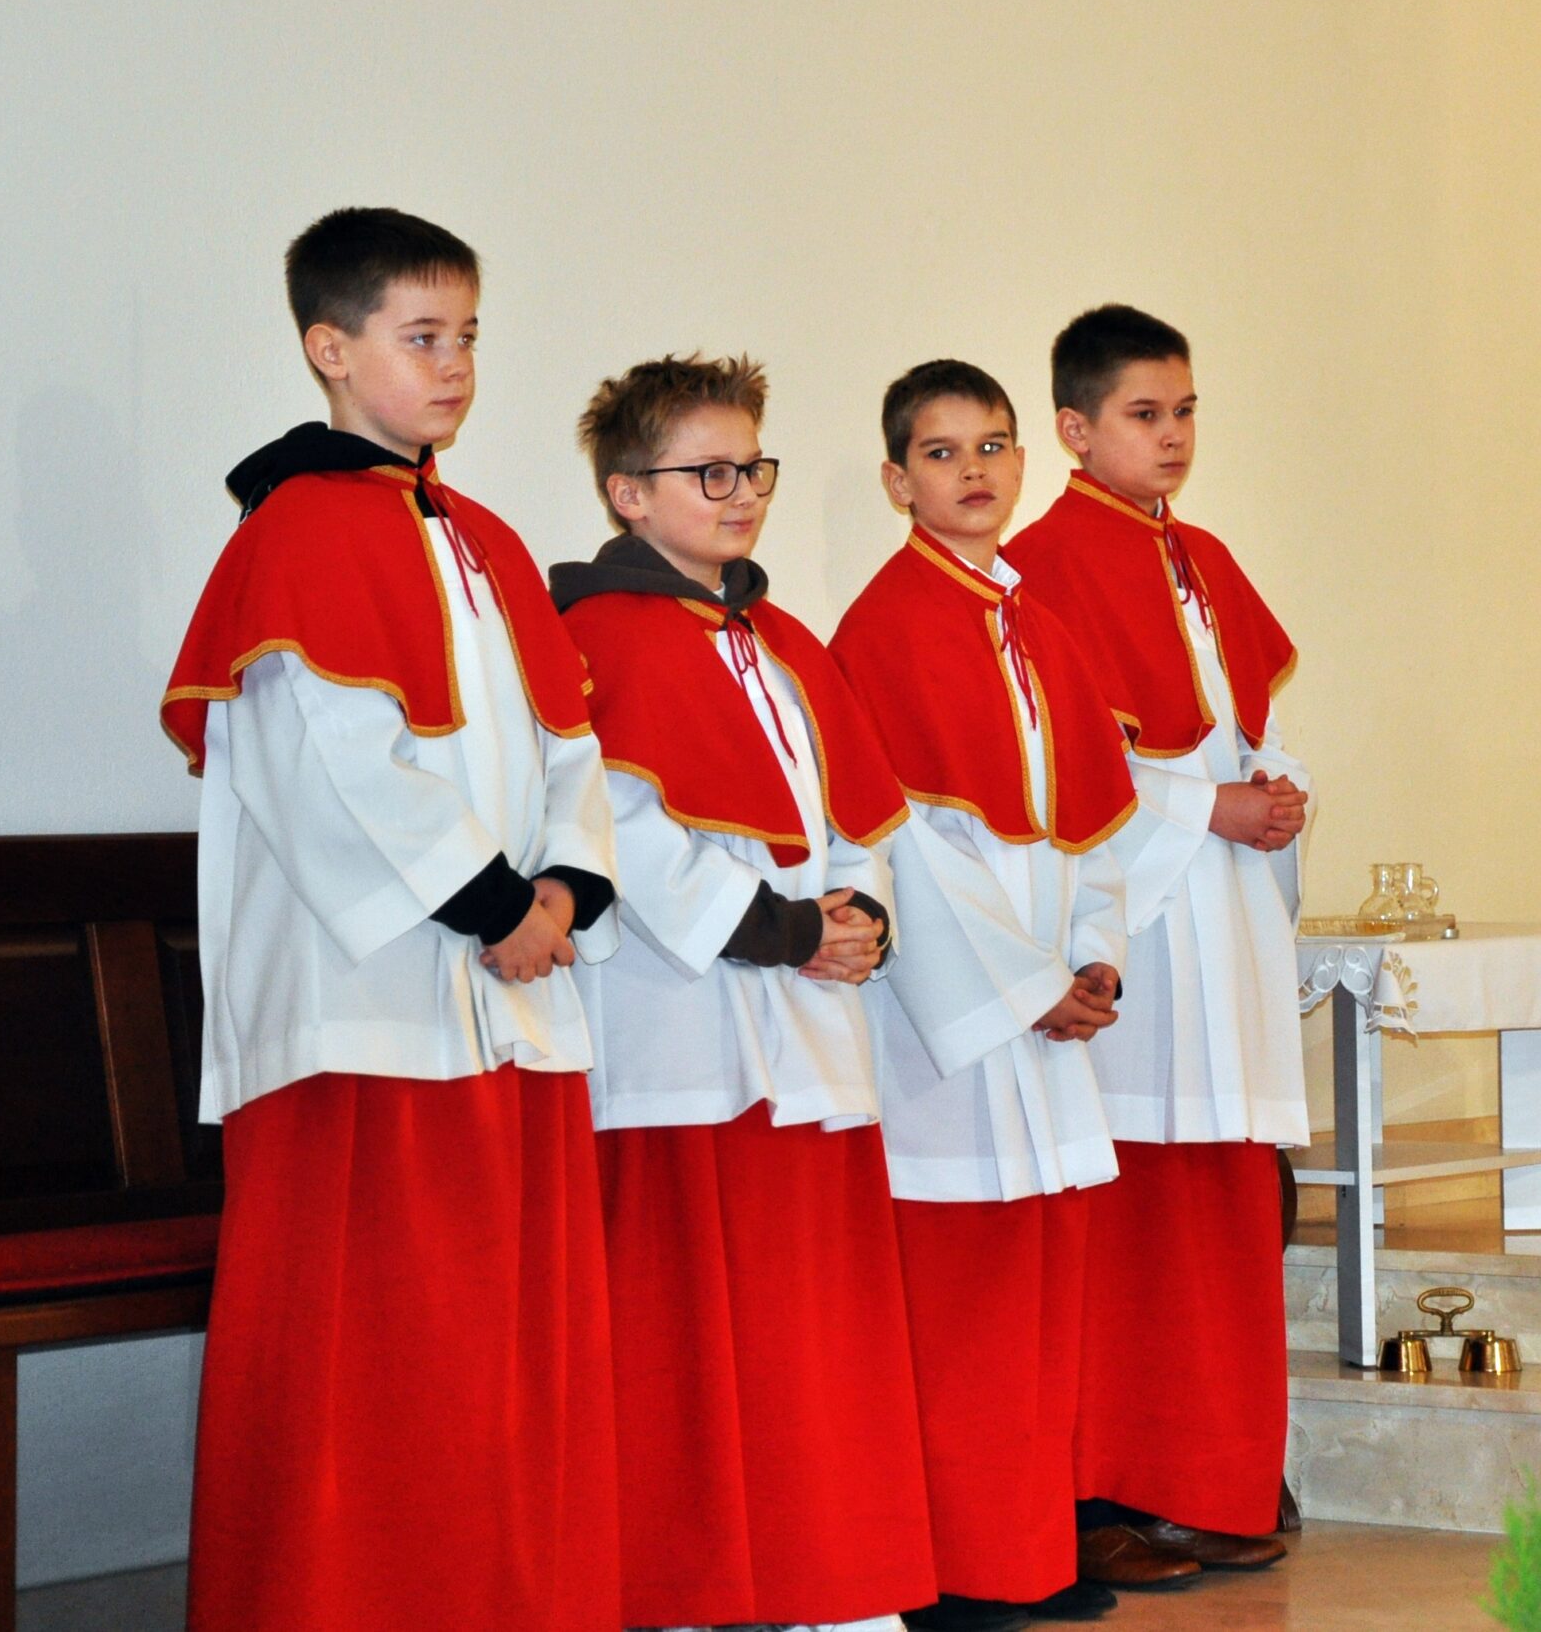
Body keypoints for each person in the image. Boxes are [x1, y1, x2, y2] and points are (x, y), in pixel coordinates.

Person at [160, 207, 621, 1632]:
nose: (456, 365)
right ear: (330, 349)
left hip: (507, 998)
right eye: (423, 337)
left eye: (468, 335)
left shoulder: (485, 540)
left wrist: (564, 890)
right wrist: (498, 907)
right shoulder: (296, 535)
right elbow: (331, 770)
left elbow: (569, 746)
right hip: (366, 1013)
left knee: (501, 1359)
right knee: (373, 1358)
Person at [551, 352, 935, 1632]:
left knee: (810, 1329)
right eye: (706, 472)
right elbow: (617, 830)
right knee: (685, 1336)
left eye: (752, 467)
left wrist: (858, 914)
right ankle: (691, 1592)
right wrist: (782, 929)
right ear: (627, 493)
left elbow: (855, 816)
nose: (741, 493)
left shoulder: (784, 643)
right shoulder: (592, 640)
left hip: (806, 1024)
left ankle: (829, 1582)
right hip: (680, 1030)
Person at [831, 361, 1196, 1632]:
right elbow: (902, 848)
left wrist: (1095, 955)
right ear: (898, 480)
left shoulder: (1036, 623)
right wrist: (1031, 984)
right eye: (941, 453)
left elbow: (1094, 821)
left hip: (1043, 1007)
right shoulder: (883, 628)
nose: (973, 471)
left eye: (992, 446)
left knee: (1042, 1288)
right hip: (953, 1023)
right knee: (960, 1298)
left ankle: (1027, 1547)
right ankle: (949, 1566)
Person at [1002, 303, 1307, 1581]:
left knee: (1222, 1197)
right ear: (1075, 428)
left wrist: (1272, 789)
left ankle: (1217, 1472)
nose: (1172, 435)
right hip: (1138, 928)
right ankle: (1113, 1484)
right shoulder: (1040, 568)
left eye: (1184, 411)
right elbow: (1062, 768)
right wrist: (1206, 808)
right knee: (1132, 1214)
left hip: (1220, 927)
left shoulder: (1200, 556)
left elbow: (1234, 729)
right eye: (1144, 413)